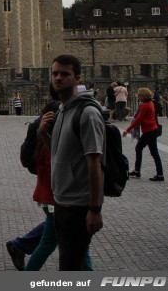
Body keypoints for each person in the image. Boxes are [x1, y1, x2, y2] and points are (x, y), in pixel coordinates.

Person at [44, 54, 104, 271]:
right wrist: (43, 134)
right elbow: (60, 155)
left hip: (78, 208)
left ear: (77, 78)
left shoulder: (87, 113)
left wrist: (95, 209)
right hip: (61, 204)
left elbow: (95, 162)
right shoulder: (62, 110)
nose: (58, 78)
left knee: (69, 268)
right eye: (55, 73)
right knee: (73, 266)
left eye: (64, 74)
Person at [26, 99, 93, 270]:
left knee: (79, 249)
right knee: (49, 245)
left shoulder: (47, 141)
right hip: (56, 201)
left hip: (55, 200)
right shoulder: (50, 145)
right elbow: (55, 173)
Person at [123, 88, 164, 181]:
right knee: (140, 148)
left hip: (150, 131)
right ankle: (137, 171)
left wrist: (127, 130)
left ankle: (160, 174)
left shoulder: (145, 105)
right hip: (151, 131)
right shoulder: (150, 103)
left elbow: (138, 119)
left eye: (139, 95)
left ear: (143, 96)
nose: (138, 96)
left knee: (153, 152)